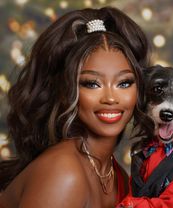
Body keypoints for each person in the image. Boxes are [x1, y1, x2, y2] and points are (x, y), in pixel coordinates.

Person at [0, 7, 154, 208]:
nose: (110, 98)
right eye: (91, 83)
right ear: (66, 90)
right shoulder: (63, 172)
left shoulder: (118, 176)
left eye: (124, 83)